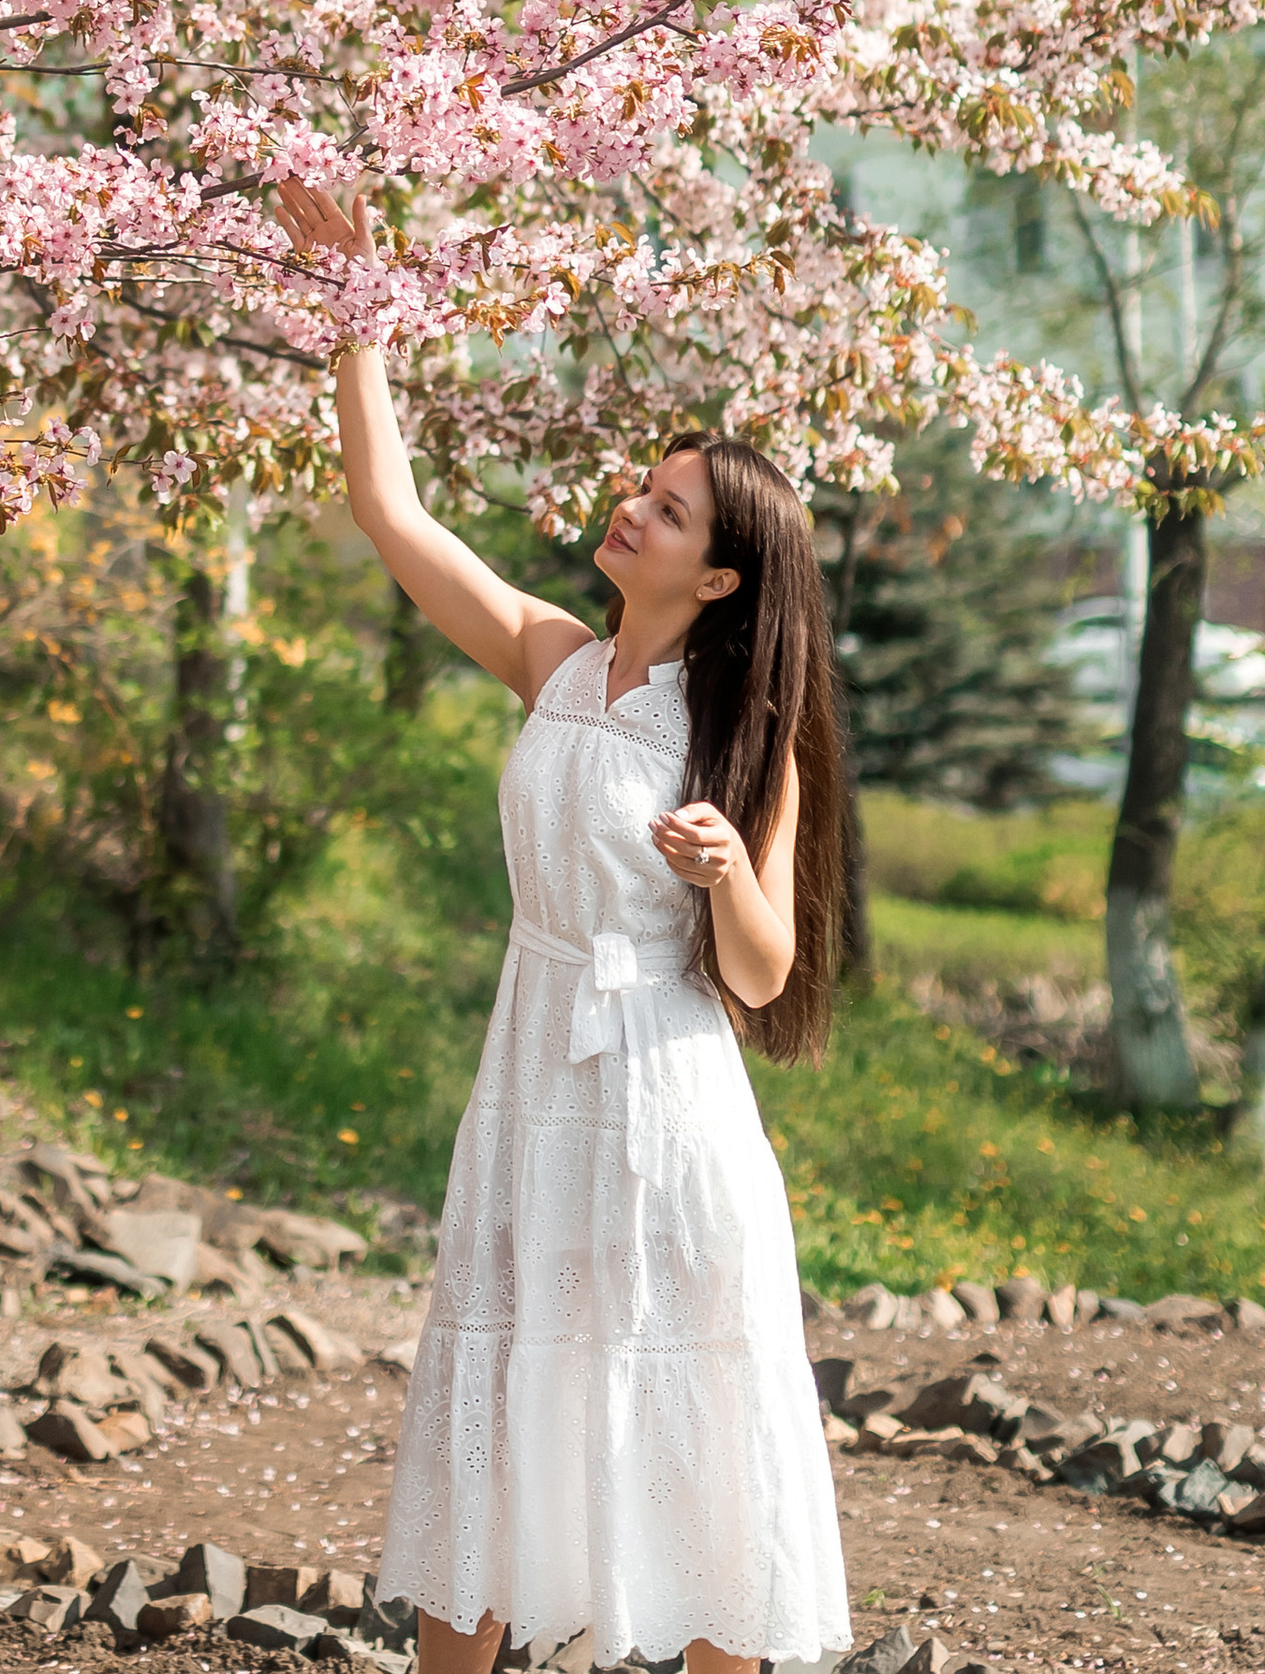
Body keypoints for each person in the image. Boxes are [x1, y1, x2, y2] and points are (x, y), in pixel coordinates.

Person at [273, 181, 852, 1674]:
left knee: (687, 1418)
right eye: (643, 487)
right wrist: (357, 314)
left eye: (669, 510)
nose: (633, 507)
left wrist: (730, 870)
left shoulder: (747, 735)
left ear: (716, 576)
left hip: (664, 1098)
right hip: (530, 1072)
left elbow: (764, 976)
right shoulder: (553, 659)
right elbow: (389, 515)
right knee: (497, 1389)